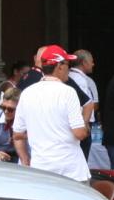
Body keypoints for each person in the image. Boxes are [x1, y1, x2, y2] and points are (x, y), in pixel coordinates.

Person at [13, 45, 89, 182]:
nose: (69, 69)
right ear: (59, 66)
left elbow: (17, 135)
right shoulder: (68, 92)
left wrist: (25, 160)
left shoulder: (27, 93)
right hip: (70, 172)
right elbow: (79, 133)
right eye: (68, 64)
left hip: (40, 171)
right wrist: (86, 128)